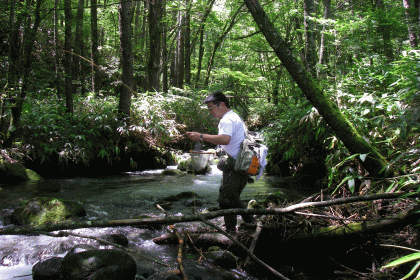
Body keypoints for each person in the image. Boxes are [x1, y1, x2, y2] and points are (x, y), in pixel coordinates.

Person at [186, 90, 254, 233]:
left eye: (211, 108)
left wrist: (201, 136)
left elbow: (225, 139)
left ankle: (251, 223)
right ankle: (231, 230)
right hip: (241, 167)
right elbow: (232, 143)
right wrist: (216, 151)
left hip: (235, 168)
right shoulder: (234, 116)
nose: (210, 112)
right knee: (227, 201)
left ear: (222, 104)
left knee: (229, 199)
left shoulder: (226, 119)